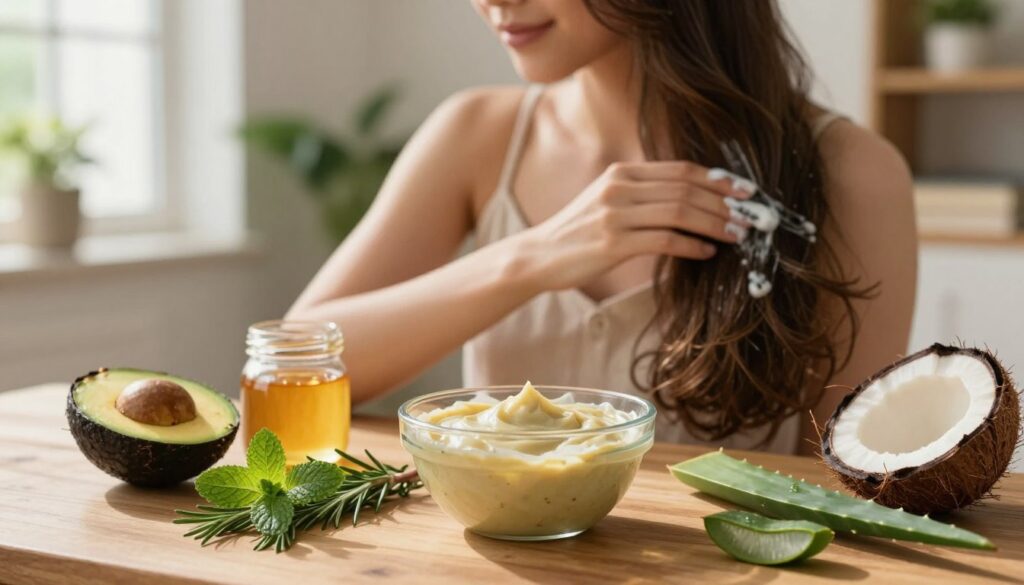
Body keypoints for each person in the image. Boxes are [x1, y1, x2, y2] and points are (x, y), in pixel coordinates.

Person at [288, 0, 917, 454]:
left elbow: (852, 474)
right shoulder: (475, 135)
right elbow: (290, 367)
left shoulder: (852, 174)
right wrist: (535, 255)